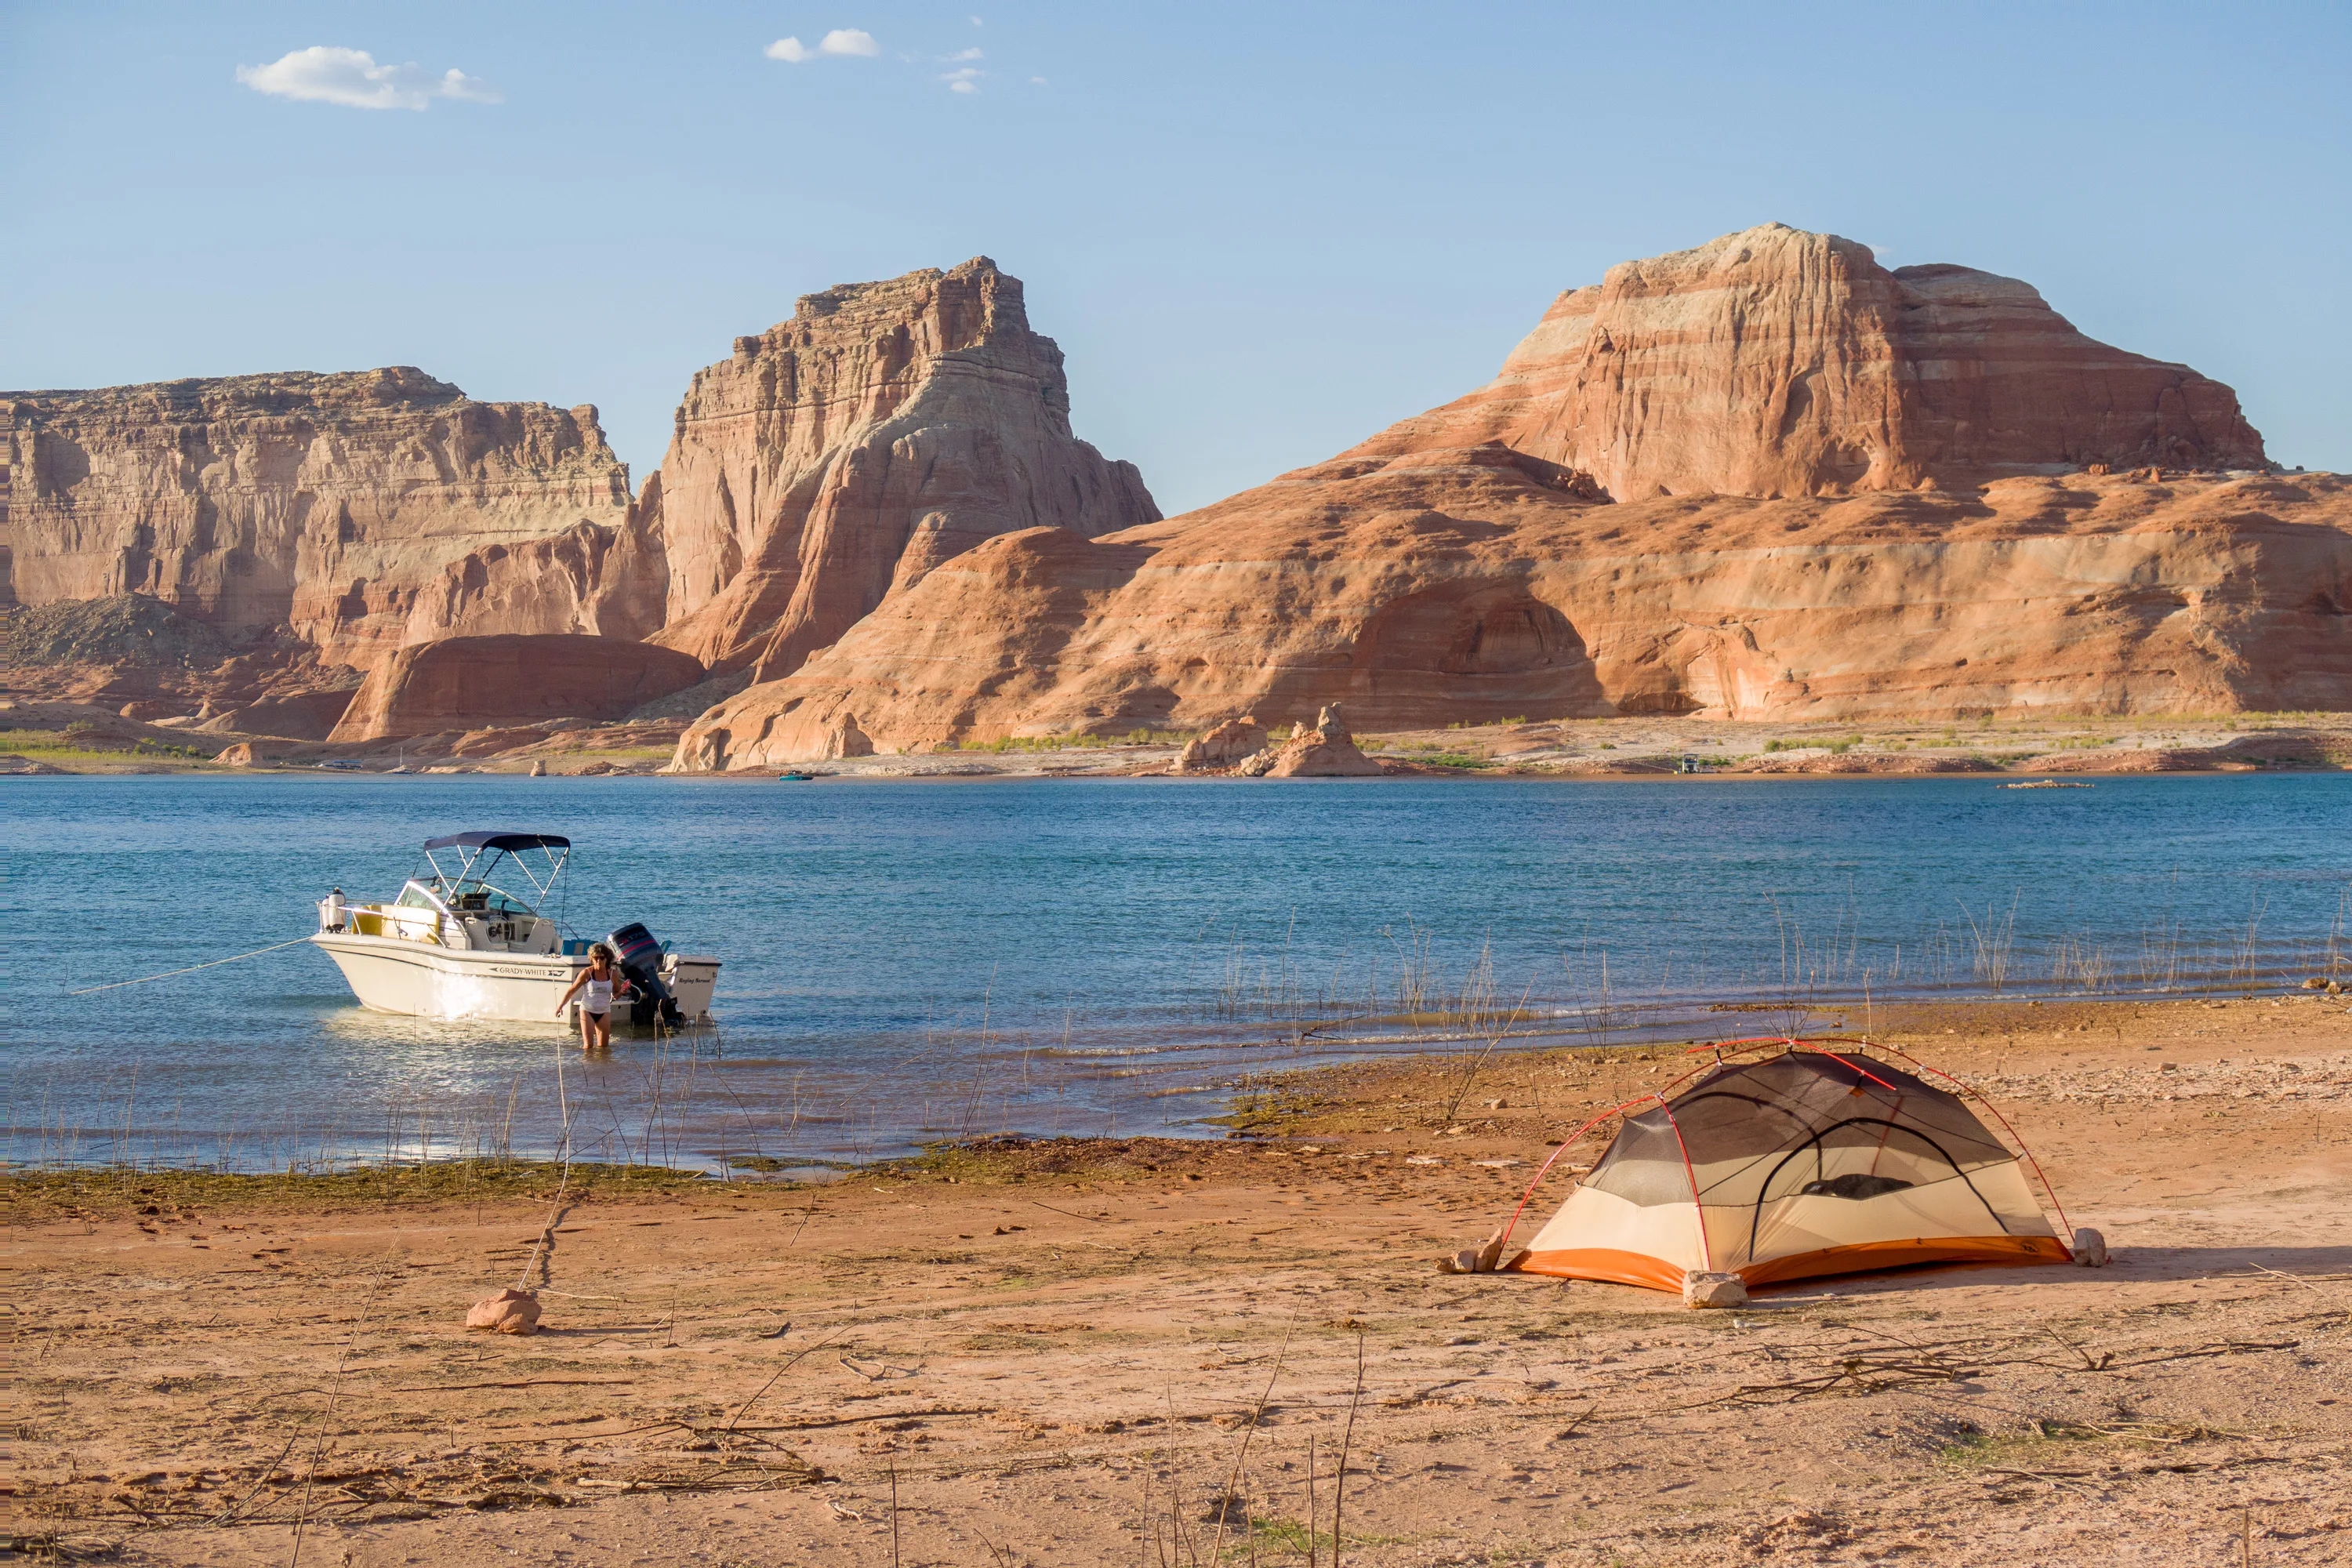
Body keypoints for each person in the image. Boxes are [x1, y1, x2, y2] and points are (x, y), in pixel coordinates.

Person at [555, 943, 632, 1053]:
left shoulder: (613, 974)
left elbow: (615, 995)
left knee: (604, 1047)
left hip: (604, 1011)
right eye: (596, 958)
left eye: (602, 957)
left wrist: (621, 992)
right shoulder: (586, 973)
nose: (599, 960)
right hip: (587, 1010)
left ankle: (601, 1069)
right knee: (588, 1046)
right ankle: (586, 1067)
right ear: (591, 958)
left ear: (607, 959)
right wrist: (560, 1007)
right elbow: (572, 990)